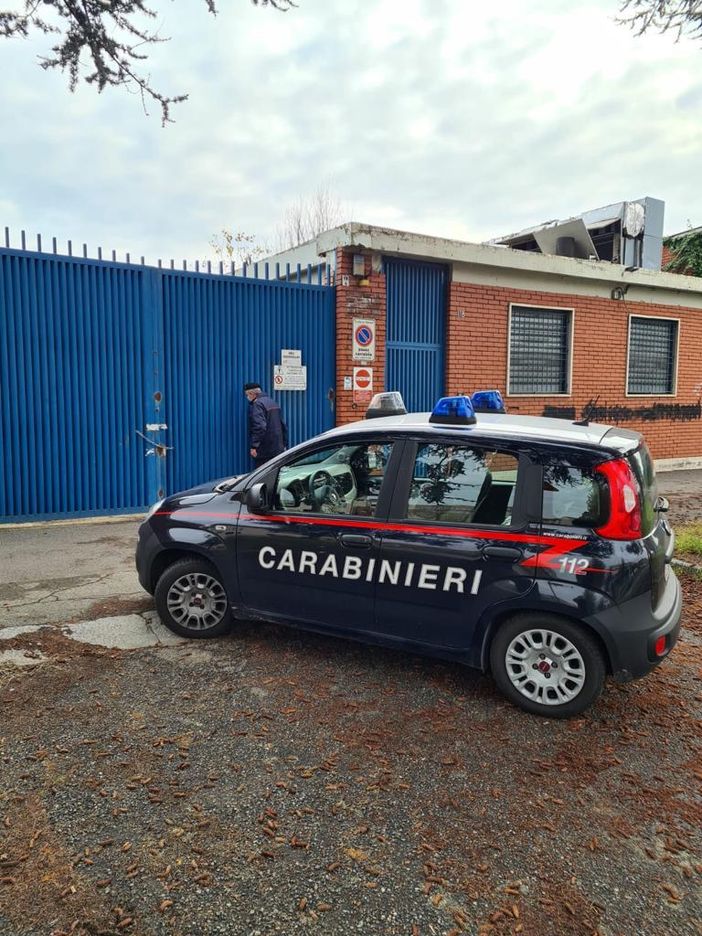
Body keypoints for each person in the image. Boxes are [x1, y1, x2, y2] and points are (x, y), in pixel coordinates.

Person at [243, 382, 288, 467]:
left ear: (252, 393)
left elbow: (260, 426)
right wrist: (284, 444)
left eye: (247, 394)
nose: (247, 397)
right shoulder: (272, 402)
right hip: (278, 447)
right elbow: (283, 425)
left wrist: (254, 446)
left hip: (265, 448)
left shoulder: (257, 404)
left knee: (263, 473)